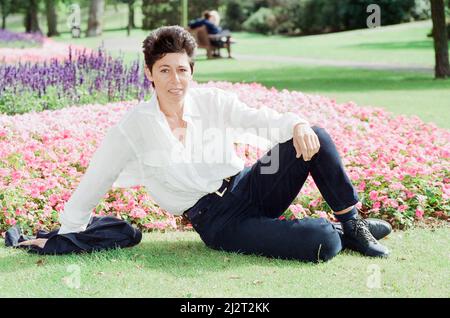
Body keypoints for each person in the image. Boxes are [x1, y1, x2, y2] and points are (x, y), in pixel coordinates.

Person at [31, 26, 391, 262]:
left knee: (313, 134)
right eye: (165, 70)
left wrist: (296, 123)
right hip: (217, 220)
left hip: (249, 184)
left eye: (183, 70)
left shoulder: (213, 101)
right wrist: (67, 232)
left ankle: (353, 224)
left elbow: (261, 120)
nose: (176, 80)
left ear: (192, 71)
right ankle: (337, 233)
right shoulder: (133, 128)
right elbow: (97, 178)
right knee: (322, 243)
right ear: (149, 74)